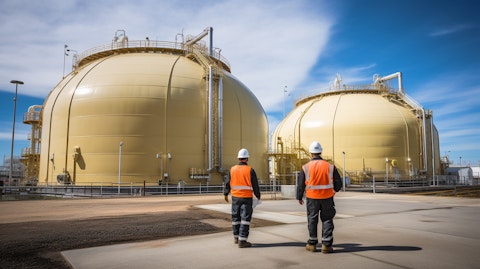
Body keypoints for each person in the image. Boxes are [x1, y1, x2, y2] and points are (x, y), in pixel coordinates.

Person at [297, 141, 342, 253]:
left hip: (312, 198)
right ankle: (326, 245)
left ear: (311, 153)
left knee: (312, 219)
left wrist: (299, 196)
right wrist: (334, 191)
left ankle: (312, 244)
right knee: (327, 219)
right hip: (327, 197)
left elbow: (301, 184)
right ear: (320, 152)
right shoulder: (330, 166)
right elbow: (338, 183)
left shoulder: (305, 167)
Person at [224, 148, 261, 248]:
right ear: (247, 158)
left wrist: (225, 194)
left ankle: (236, 237)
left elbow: (227, 183)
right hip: (246, 198)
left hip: (235, 197)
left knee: (236, 218)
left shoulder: (232, 169)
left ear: (239, 158)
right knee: (245, 219)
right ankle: (242, 240)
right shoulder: (250, 170)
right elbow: (255, 185)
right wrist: (258, 196)